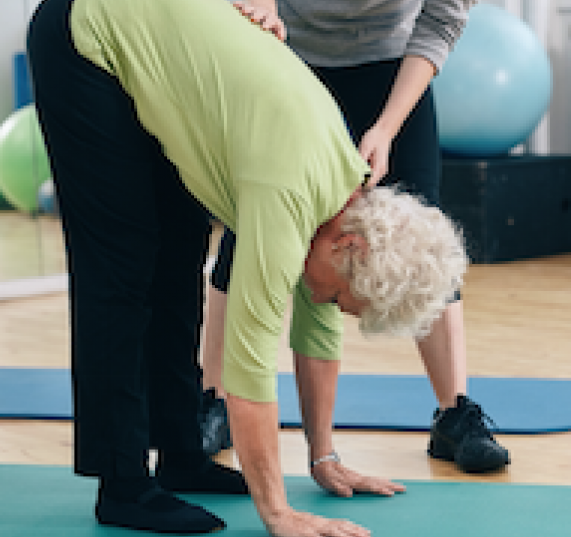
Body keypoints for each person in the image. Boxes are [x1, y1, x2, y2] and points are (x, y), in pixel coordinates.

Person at [27, 0, 467, 537]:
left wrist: (323, 458)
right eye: (342, 298)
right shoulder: (290, 193)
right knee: (123, 265)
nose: (328, 305)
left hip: (153, 42)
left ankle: (181, 455)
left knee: (179, 253)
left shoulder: (343, 197)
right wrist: (278, 511)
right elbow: (250, 363)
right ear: (349, 245)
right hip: (86, 36)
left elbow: (316, 330)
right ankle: (123, 483)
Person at [198, 0, 511, 479]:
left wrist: (386, 128)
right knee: (248, 230)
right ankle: (212, 400)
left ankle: (455, 412)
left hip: (392, 63)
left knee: (417, 234)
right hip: (287, 49)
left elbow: (442, 21)